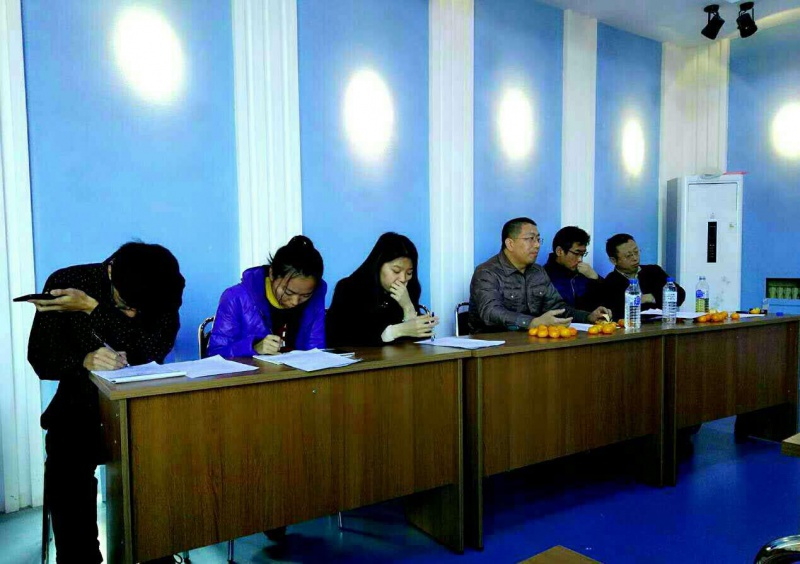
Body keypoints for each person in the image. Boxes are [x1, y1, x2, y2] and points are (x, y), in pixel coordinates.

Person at [26, 242, 185, 564]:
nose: (133, 314)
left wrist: (94, 310)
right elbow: (42, 359)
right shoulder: (69, 283)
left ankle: (154, 552)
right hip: (79, 403)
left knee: (159, 471)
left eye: (140, 311)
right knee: (67, 472)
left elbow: (153, 349)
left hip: (140, 405)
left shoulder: (163, 286)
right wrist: (83, 361)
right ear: (110, 271)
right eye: (126, 305)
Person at [469, 217, 611, 333]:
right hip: (493, 344)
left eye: (538, 239)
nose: (537, 245)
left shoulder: (537, 272)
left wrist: (588, 317)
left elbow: (558, 308)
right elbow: (490, 312)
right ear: (510, 243)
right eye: (530, 239)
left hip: (532, 341)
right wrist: (532, 322)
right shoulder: (486, 272)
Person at [208, 235, 326, 357]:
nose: (295, 301)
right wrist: (253, 347)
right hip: (254, 370)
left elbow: (317, 350)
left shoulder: (316, 295)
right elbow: (215, 354)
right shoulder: (236, 298)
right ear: (272, 274)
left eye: (306, 295)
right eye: (288, 292)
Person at [326, 232, 439, 346]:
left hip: (401, 356)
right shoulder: (349, 289)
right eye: (396, 271)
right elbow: (341, 337)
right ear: (378, 265)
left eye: (409, 273)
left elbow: (422, 340)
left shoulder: (409, 289)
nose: (403, 278)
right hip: (364, 357)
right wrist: (395, 331)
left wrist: (408, 308)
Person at [603, 234, 686, 320]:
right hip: (632, 327)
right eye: (628, 256)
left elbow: (680, 295)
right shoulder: (609, 283)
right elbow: (614, 312)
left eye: (636, 252)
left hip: (662, 323)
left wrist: (651, 297)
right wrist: (638, 300)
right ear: (613, 260)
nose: (635, 258)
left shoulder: (654, 271)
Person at [543, 226, 605, 311]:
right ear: (559, 251)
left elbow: (607, 301)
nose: (580, 259)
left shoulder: (584, 274)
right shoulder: (543, 277)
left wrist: (596, 279)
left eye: (582, 254)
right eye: (576, 253)